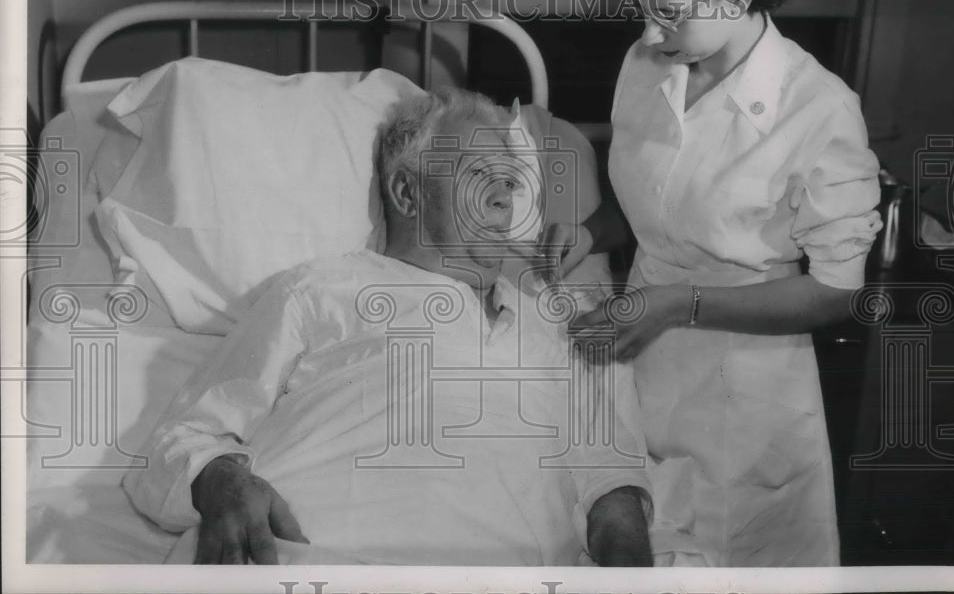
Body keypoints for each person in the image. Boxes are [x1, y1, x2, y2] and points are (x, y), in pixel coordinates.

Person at [123, 88, 653, 566]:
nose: (504, 198)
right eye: (477, 174)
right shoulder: (321, 290)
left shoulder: (557, 326)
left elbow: (611, 483)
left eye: (510, 182)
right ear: (406, 192)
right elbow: (185, 436)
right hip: (304, 562)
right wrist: (220, 479)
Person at [541, 0, 883, 566]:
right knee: (621, 540)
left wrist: (675, 304)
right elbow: (654, 204)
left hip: (746, 390)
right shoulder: (648, 63)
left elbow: (836, 292)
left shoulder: (818, 110)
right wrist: (588, 233)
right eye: (643, 7)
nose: (648, 31)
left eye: (668, 14)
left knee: (726, 559)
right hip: (637, 351)